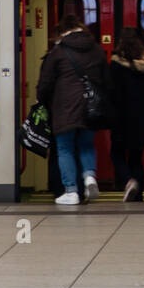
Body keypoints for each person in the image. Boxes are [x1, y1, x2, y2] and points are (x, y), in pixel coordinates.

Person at [37, 14, 112, 206]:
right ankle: (89, 178)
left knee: (65, 148)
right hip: (90, 107)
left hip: (65, 108)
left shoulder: (58, 52)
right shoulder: (97, 50)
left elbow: (45, 84)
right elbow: (107, 80)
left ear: (61, 32)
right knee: (87, 144)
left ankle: (71, 191)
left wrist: (44, 103)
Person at [109, 27, 144, 203]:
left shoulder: (116, 64)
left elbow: (112, 92)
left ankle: (129, 181)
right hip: (143, 119)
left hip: (122, 118)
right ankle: (139, 197)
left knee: (116, 153)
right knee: (136, 158)